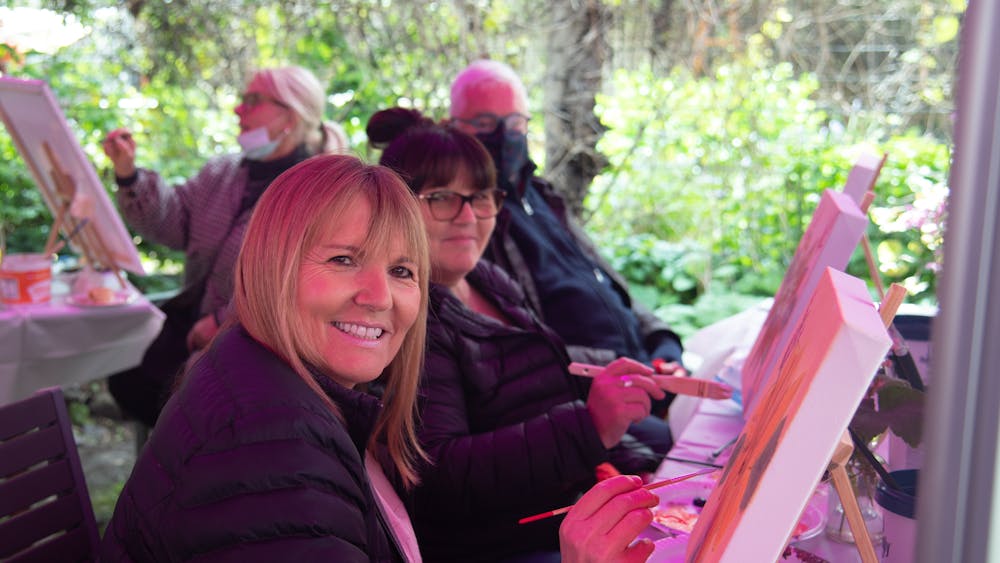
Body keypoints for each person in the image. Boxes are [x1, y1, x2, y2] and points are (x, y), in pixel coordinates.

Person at [99, 154, 660, 563]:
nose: (380, 296)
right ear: (273, 266)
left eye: (401, 270)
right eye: (343, 259)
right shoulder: (266, 443)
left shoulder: (283, 384)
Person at [369, 108, 667, 562]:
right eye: (444, 197)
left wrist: (626, 465)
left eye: (481, 196)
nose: (469, 216)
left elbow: (548, 392)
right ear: (397, 207)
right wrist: (590, 428)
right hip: (508, 543)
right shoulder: (414, 317)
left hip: (561, 510)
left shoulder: (490, 281)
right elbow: (438, 473)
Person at [449, 59, 686, 453]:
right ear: (453, 128)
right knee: (687, 451)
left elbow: (606, 280)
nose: (504, 136)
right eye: (486, 124)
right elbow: (522, 347)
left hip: (644, 372)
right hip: (587, 395)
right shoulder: (472, 220)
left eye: (514, 123)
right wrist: (618, 365)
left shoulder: (542, 195)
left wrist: (662, 340)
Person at [101, 65, 348, 427]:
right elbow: (173, 224)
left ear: (290, 117)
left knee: (186, 410)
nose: (237, 109)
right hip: (193, 327)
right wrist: (129, 174)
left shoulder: (320, 191)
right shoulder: (223, 172)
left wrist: (226, 321)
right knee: (127, 374)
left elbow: (305, 282)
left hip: (260, 352)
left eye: (252, 100)